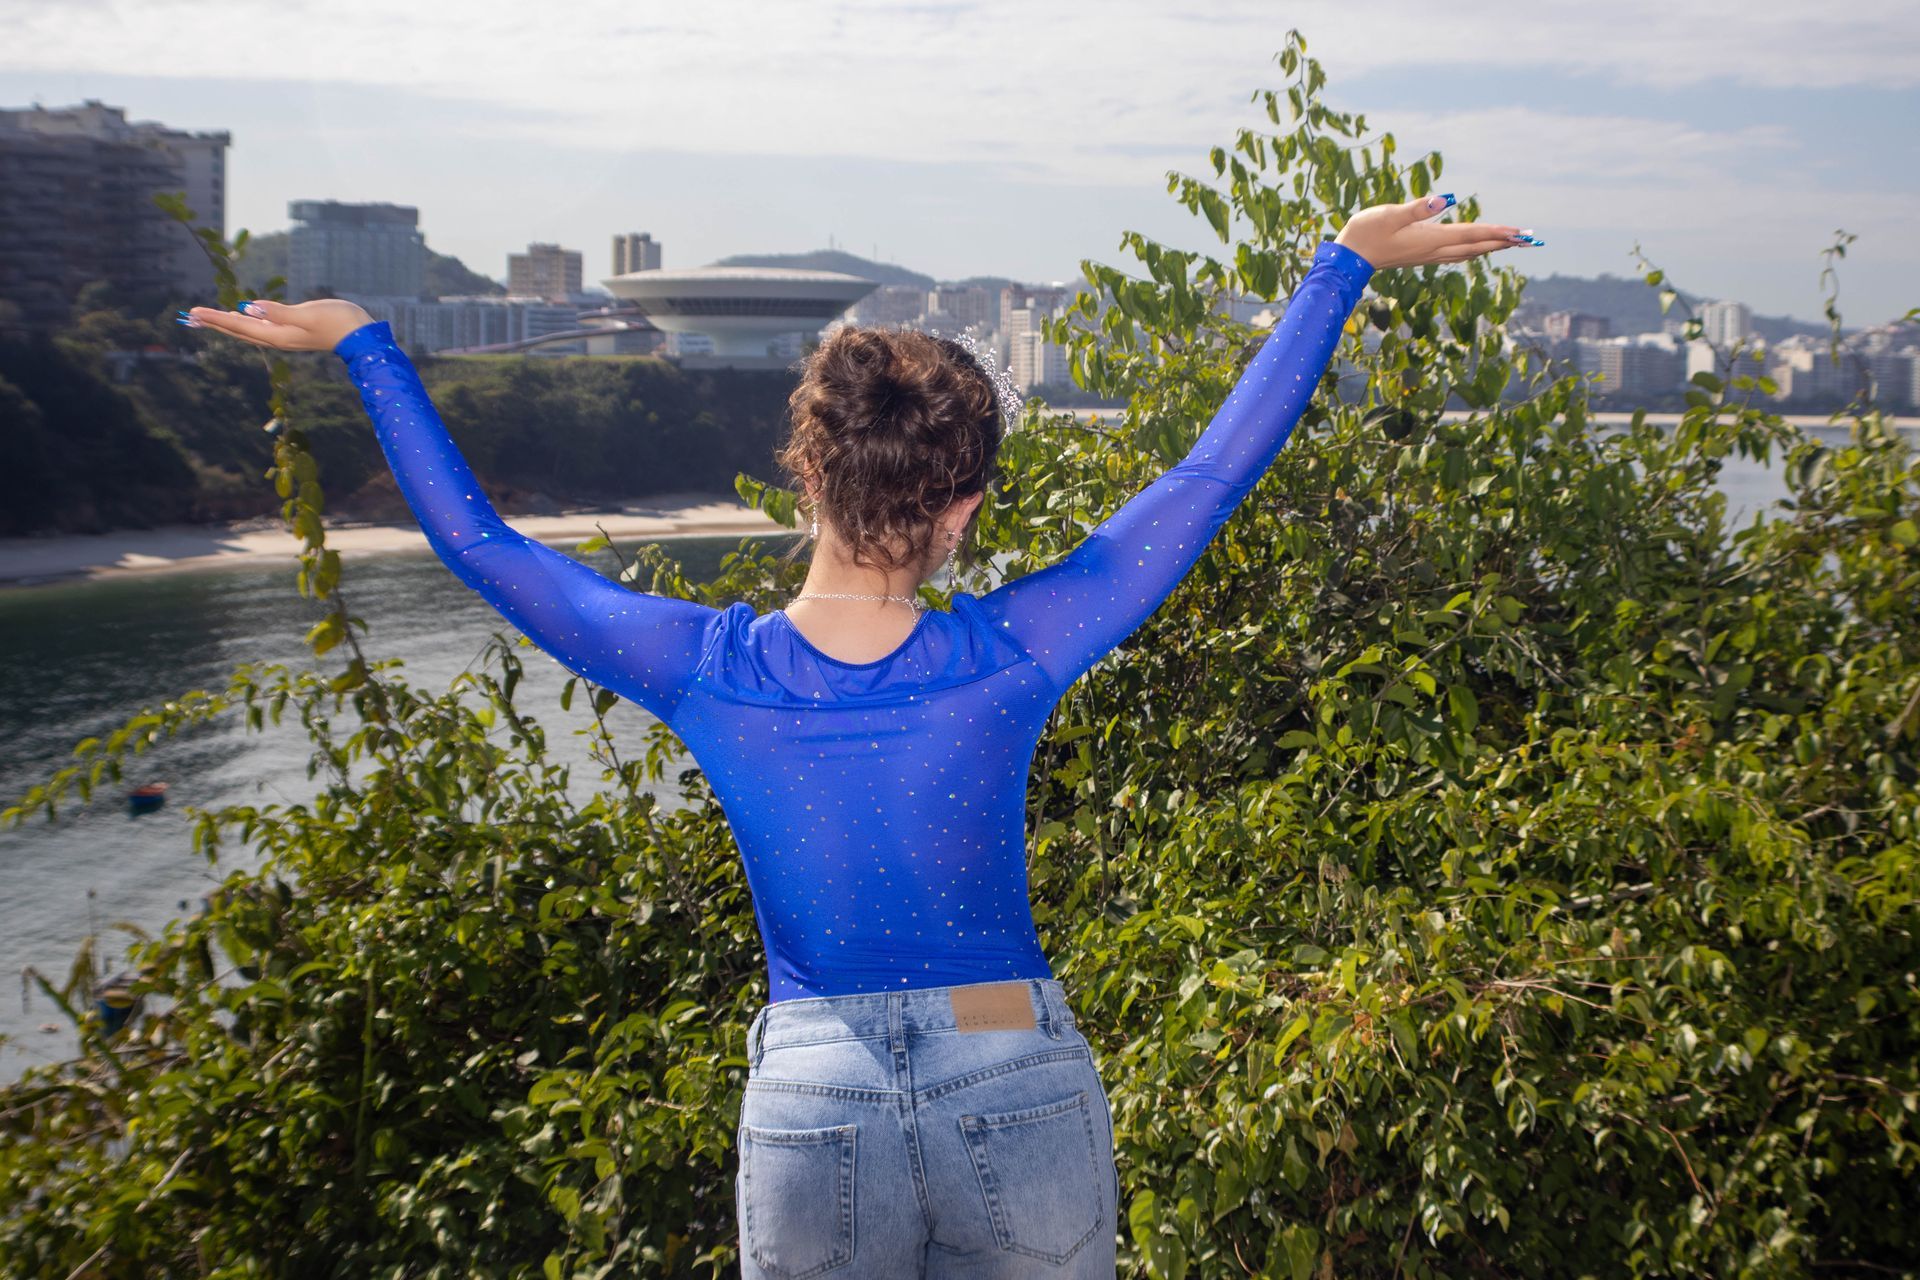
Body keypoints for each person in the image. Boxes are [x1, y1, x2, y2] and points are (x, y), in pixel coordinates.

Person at [183, 194, 1536, 1278]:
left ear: (807, 470)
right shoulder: (1013, 653)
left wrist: (367, 346)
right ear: (960, 514)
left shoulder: (706, 672)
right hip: (1008, 1046)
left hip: (817, 1076)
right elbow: (1208, 474)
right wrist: (1339, 267)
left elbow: (478, 544)